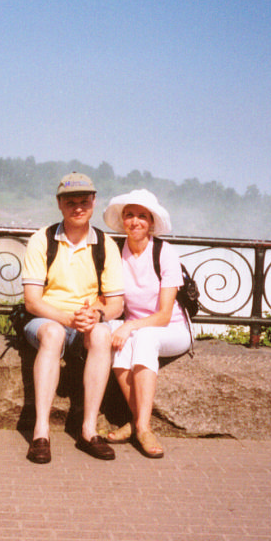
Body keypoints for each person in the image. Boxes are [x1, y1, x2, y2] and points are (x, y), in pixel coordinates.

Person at [21, 172, 125, 464]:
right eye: (71, 202)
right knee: (53, 334)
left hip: (86, 320)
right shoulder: (42, 240)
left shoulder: (106, 245)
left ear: (93, 202)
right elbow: (32, 301)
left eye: (84, 201)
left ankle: (88, 431)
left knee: (103, 334)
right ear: (59, 204)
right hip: (47, 318)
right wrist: (67, 318)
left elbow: (116, 303)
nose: (78, 207)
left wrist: (97, 314)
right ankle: (41, 432)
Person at [101, 189, 192, 458]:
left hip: (172, 330)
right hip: (138, 328)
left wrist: (129, 326)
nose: (135, 221)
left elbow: (164, 315)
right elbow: (107, 297)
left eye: (142, 216)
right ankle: (140, 424)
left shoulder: (164, 253)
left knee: (142, 337)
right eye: (130, 215)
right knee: (116, 339)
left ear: (151, 222)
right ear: (123, 221)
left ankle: (141, 426)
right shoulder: (117, 252)